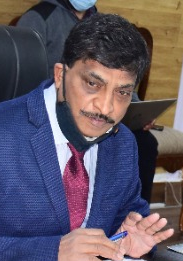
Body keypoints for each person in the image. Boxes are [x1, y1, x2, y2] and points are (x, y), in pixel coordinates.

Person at [0, 13, 173, 261]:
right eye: (93, 84)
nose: (106, 108)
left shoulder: (122, 143)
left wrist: (127, 241)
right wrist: (51, 253)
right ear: (60, 75)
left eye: (122, 93)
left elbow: (127, 219)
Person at [15, 1, 160, 201]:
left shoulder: (100, 23)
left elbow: (119, 77)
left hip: (103, 118)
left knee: (145, 142)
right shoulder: (39, 18)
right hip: (55, 111)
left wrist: (139, 109)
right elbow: (23, 77)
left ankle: (128, 207)